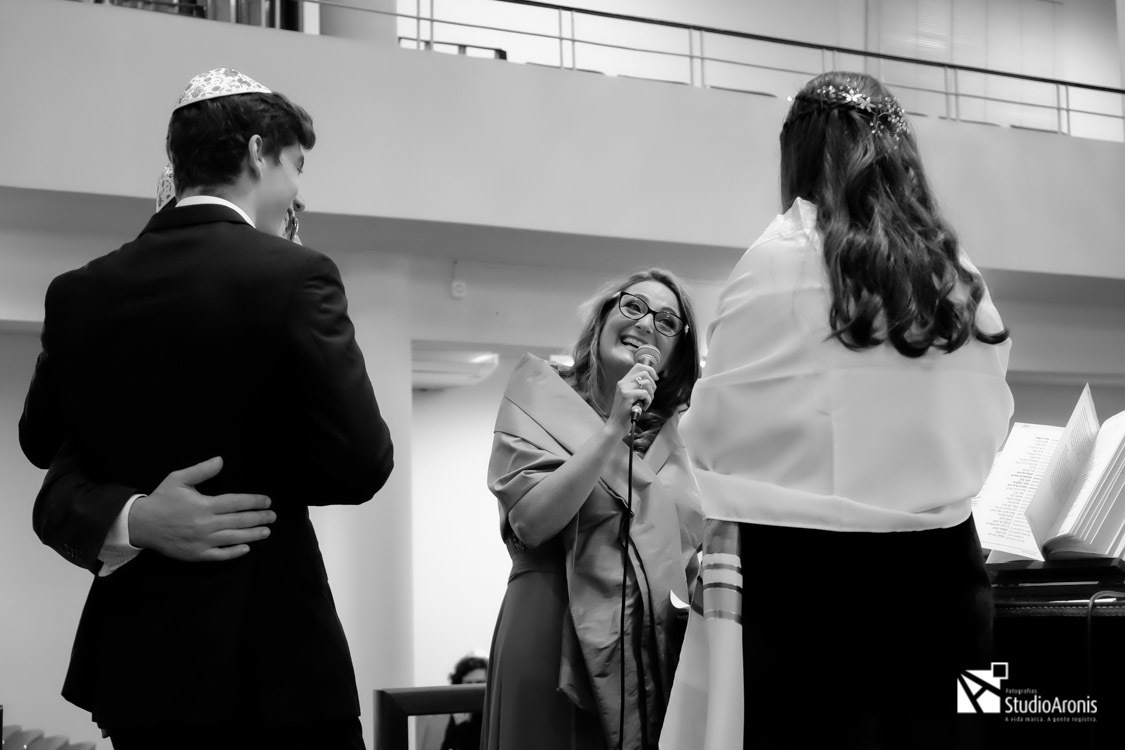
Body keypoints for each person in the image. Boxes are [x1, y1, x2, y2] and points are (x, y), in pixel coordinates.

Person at [19, 68, 393, 750]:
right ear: (256, 151)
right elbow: (361, 464)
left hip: (141, 662)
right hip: (273, 651)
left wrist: (132, 515)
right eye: (295, 165)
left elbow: (41, 441)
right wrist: (258, 476)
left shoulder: (78, 293)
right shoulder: (294, 273)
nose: (298, 189)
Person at [660, 71, 1013, 750]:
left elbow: (713, 438)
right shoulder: (959, 277)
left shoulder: (774, 260)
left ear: (798, 153)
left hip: (799, 591)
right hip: (947, 584)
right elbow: (987, 422)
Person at [482, 269, 705, 750]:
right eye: (633, 307)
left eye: (668, 321)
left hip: (648, 646)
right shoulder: (540, 398)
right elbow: (532, 521)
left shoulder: (683, 438)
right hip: (549, 625)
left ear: (677, 352)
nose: (647, 325)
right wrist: (611, 431)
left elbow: (689, 555)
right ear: (603, 317)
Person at [417, 653, 489, 750]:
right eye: (468, 683)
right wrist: (460, 724)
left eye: (479, 683)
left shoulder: (490, 715)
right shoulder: (451, 714)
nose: (473, 688)